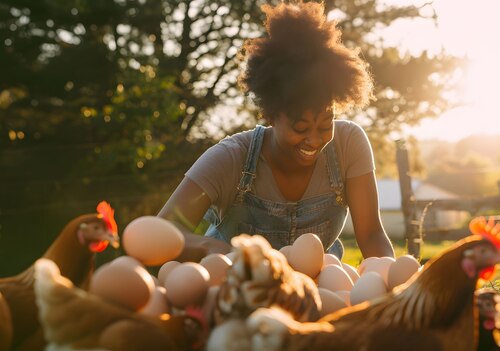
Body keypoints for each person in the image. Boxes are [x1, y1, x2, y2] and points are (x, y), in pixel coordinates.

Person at [158, 1, 394, 262]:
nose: (315, 139)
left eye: (326, 124)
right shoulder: (230, 158)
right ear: (270, 115)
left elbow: (372, 235)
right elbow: (162, 230)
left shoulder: (348, 144)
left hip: (316, 285)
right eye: (300, 127)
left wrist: (389, 278)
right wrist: (209, 249)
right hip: (236, 290)